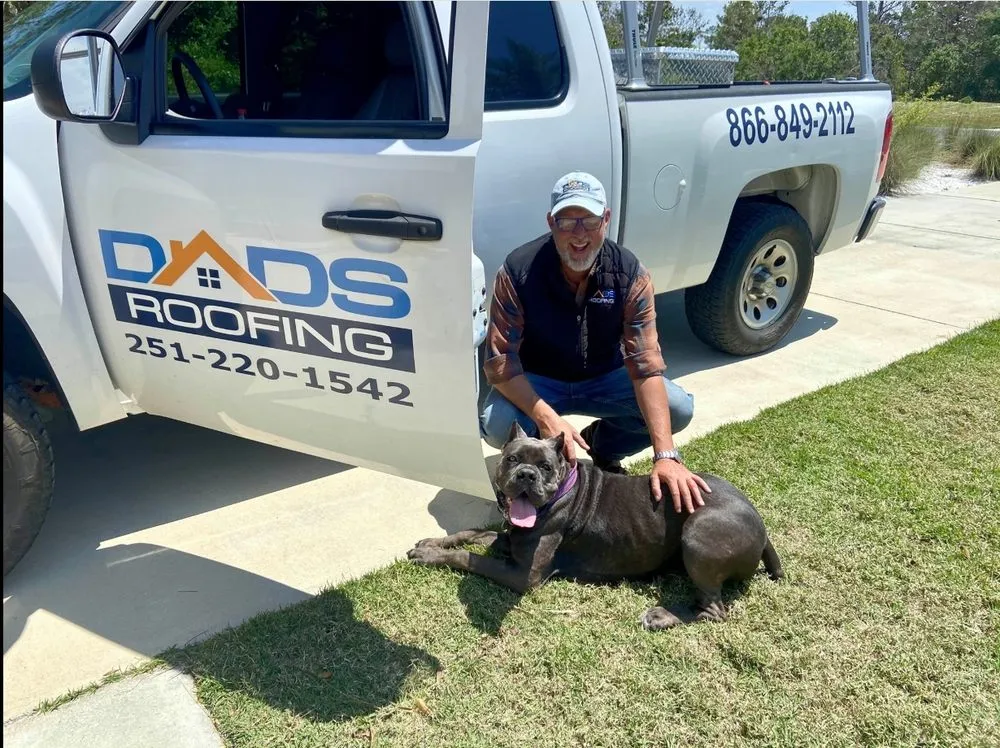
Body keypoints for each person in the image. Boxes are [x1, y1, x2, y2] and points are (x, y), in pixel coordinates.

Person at [479, 171, 711, 514]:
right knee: (496, 422)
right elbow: (500, 365)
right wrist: (546, 417)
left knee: (678, 408)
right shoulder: (517, 270)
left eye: (588, 220)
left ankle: (604, 447)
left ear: (606, 219)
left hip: (606, 376)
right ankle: (523, 473)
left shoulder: (631, 274)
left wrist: (666, 455)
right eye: (567, 221)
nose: (579, 234)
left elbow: (645, 365)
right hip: (539, 379)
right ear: (550, 222)